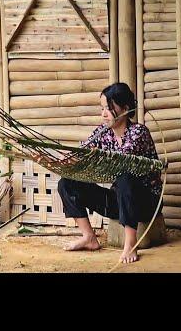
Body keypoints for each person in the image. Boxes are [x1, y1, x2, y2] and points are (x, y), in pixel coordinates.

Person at [56, 82, 162, 264]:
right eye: (102, 108)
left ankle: (130, 244)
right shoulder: (102, 133)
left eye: (109, 108)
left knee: (125, 177)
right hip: (119, 202)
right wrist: (69, 159)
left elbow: (121, 160)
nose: (103, 114)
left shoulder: (138, 132)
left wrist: (92, 158)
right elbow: (83, 151)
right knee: (67, 182)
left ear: (125, 109)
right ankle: (89, 237)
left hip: (145, 203)